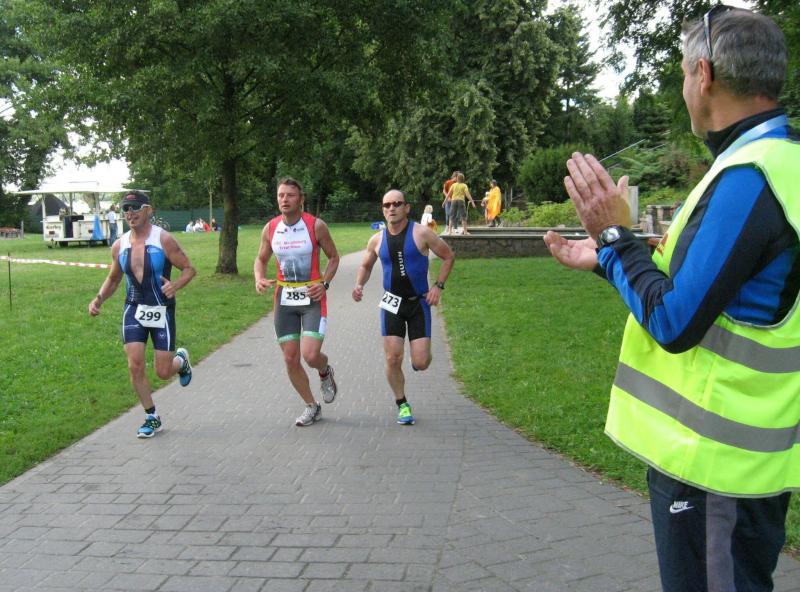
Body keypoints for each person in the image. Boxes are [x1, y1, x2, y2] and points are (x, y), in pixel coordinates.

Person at [544, 8, 798, 592]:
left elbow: (674, 320)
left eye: (683, 72)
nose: (684, 86)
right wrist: (610, 259)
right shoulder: (778, 161)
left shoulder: (750, 177)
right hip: (744, 460)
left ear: (703, 74)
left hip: (712, 463)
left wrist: (614, 236)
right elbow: (713, 295)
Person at [88, 191, 195, 438]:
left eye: (135, 207)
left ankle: (181, 362)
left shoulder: (163, 239)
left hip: (161, 310)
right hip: (133, 309)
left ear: (149, 210)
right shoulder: (119, 245)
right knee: (134, 365)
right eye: (125, 208)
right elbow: (113, 278)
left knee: (163, 372)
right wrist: (99, 298)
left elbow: (189, 269)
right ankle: (151, 416)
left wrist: (175, 285)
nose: (130, 213)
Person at [352, 189, 455, 425]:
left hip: (418, 302)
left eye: (397, 203)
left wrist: (438, 286)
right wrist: (359, 284)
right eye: (387, 205)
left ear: (406, 207)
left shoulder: (422, 233)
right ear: (383, 210)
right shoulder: (377, 240)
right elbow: (366, 266)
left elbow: (448, 256)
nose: (392, 208)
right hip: (391, 303)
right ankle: (402, 404)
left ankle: (418, 358)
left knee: (421, 362)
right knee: (392, 358)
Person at [254, 177, 340, 427]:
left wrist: (324, 284)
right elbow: (260, 259)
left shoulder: (316, 226)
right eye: (281, 195)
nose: (284, 199)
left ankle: (325, 370)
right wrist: (259, 277)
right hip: (284, 299)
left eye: (290, 195)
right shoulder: (270, 228)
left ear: (301, 199)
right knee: (291, 359)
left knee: (310, 355)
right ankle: (311, 406)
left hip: (312, 296)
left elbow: (334, 257)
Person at [441, 171, 458, 235]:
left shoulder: (458, 183)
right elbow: (444, 191)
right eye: (457, 177)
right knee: (448, 214)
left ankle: (455, 228)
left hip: (455, 201)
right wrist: (447, 197)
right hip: (448, 201)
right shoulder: (448, 182)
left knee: (455, 214)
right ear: (455, 176)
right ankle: (447, 226)